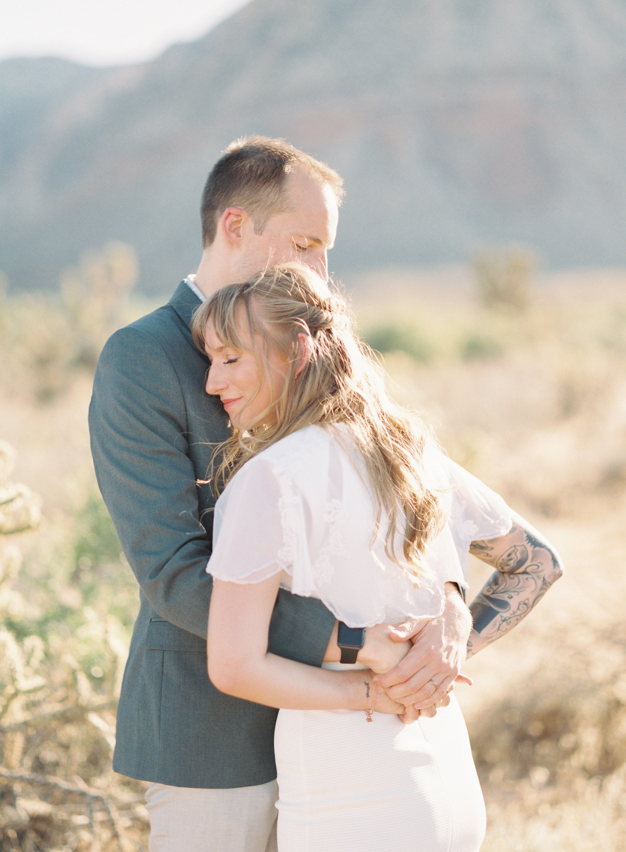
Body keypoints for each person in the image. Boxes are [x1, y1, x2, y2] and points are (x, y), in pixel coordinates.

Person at [89, 136, 474, 852]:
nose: (323, 269)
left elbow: (405, 491)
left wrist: (448, 606)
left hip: (342, 739)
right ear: (236, 227)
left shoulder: (308, 344)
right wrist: (356, 647)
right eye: (305, 243)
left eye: (326, 249)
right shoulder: (141, 359)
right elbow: (172, 571)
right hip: (213, 738)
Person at [194, 263, 564, 852]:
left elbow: (233, 666)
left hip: (349, 792)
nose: (213, 382)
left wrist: (373, 691)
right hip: (448, 779)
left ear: (297, 350)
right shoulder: (408, 451)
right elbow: (538, 562)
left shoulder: (268, 480)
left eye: (230, 358)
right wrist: (438, 658)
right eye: (210, 360)